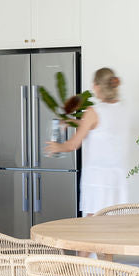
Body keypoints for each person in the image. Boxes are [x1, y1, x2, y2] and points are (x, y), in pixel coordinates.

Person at [45, 67, 130, 215]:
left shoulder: (93, 112)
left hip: (97, 181)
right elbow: (103, 128)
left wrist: (56, 147)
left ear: (97, 86)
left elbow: (73, 144)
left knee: (93, 224)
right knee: (114, 223)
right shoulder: (122, 108)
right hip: (116, 179)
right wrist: (73, 121)